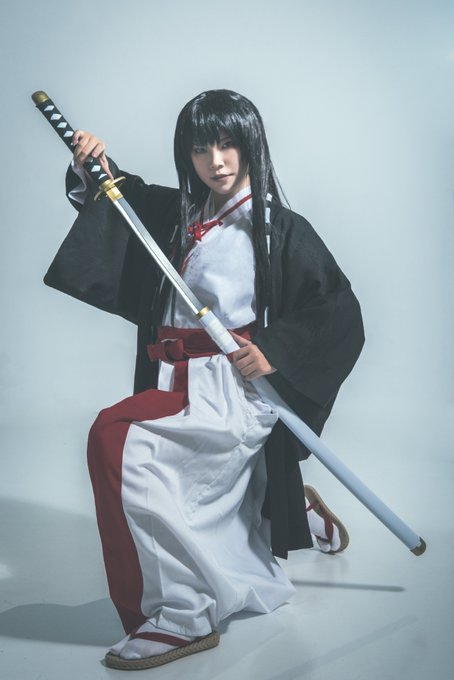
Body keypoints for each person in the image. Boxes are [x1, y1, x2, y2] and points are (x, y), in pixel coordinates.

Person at [44, 89, 365, 670]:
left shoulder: (280, 230)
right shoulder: (180, 213)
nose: (215, 161)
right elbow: (122, 201)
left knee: (120, 443)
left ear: (250, 145)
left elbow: (336, 310)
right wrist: (92, 168)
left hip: (231, 388)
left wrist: (272, 350)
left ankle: (185, 612)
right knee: (176, 479)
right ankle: (279, 501)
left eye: (227, 144)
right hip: (169, 376)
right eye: (200, 149)